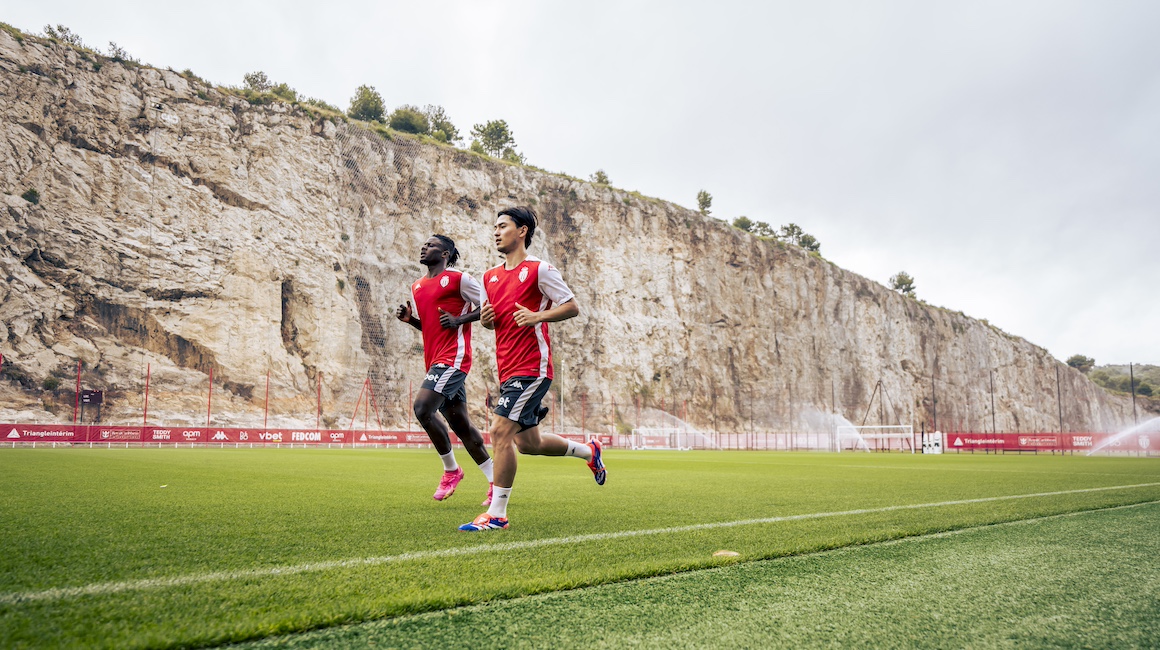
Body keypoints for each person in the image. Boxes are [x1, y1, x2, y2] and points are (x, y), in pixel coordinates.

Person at [459, 207, 605, 532]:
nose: (496, 232)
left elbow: (571, 306)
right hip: (507, 368)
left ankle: (497, 515)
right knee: (529, 445)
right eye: (494, 227)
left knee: (499, 432)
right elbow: (490, 321)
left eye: (503, 226)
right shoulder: (488, 277)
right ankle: (589, 451)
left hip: (532, 367)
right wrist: (485, 320)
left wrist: (538, 316)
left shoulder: (540, 270)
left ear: (522, 231)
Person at [396, 235, 494, 505]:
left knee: (422, 409)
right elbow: (433, 327)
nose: (424, 247)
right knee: (460, 424)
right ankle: (496, 481)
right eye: (424, 244)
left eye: (431, 245)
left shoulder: (458, 278)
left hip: (454, 358)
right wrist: (411, 321)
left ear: (445, 253)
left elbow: (489, 306)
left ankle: (452, 470)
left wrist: (460, 319)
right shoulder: (416, 286)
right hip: (434, 360)